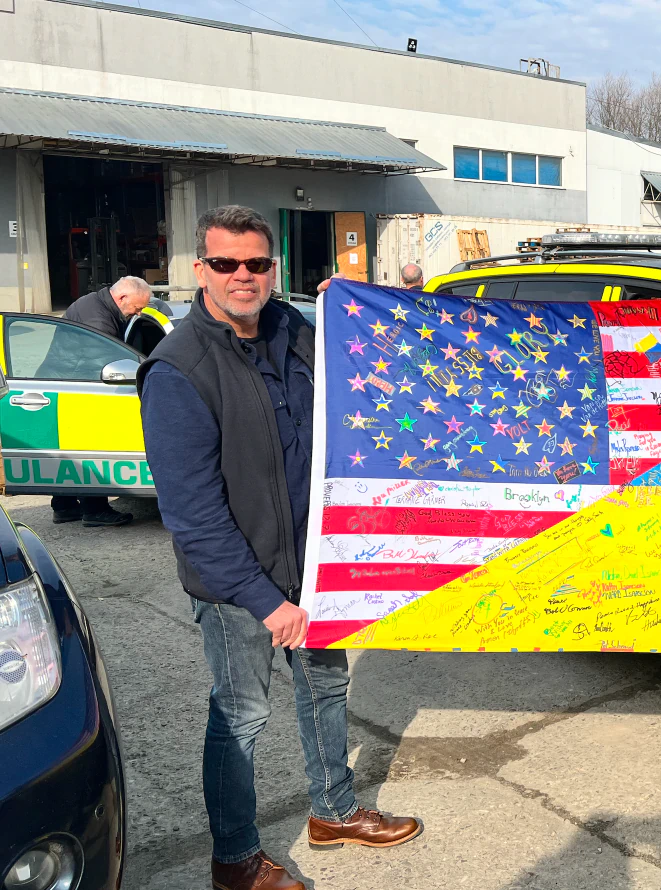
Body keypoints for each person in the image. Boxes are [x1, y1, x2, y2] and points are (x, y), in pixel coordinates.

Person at [137, 206, 422, 890]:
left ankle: (333, 811)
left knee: (326, 686)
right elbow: (194, 517)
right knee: (242, 714)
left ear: (276, 269)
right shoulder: (177, 372)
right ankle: (234, 858)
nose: (244, 276)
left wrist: (361, 312)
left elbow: (366, 379)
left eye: (258, 264)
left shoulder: (294, 330)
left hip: (315, 567)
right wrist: (268, 603)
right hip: (240, 585)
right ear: (200, 270)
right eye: (227, 264)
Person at [49, 276, 153, 527]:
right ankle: (94, 509)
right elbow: (104, 361)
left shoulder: (97, 303)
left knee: (71, 448)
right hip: (79, 387)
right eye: (137, 308)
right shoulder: (98, 320)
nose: (137, 313)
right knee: (88, 446)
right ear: (122, 298)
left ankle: (63, 506)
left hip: (65, 382)